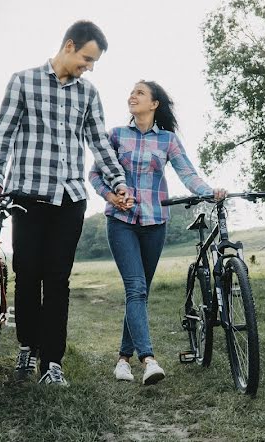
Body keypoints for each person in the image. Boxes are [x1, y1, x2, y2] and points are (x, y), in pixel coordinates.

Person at [0, 20, 132, 386]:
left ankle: (52, 362)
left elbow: (99, 143)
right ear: (69, 46)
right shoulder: (23, 81)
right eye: (87, 58)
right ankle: (27, 347)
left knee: (57, 280)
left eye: (93, 62)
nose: (89, 67)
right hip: (28, 197)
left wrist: (119, 182)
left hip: (70, 200)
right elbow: (3, 133)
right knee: (28, 274)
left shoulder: (88, 93)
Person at [89, 80, 225, 386]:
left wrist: (209, 191)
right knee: (136, 288)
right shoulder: (116, 135)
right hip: (121, 221)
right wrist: (111, 196)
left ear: (154, 104)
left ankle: (122, 360)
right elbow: (95, 173)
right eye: (131, 91)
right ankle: (148, 360)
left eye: (140, 92)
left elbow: (187, 172)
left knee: (140, 292)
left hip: (155, 223)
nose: (132, 95)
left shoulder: (167, 140)